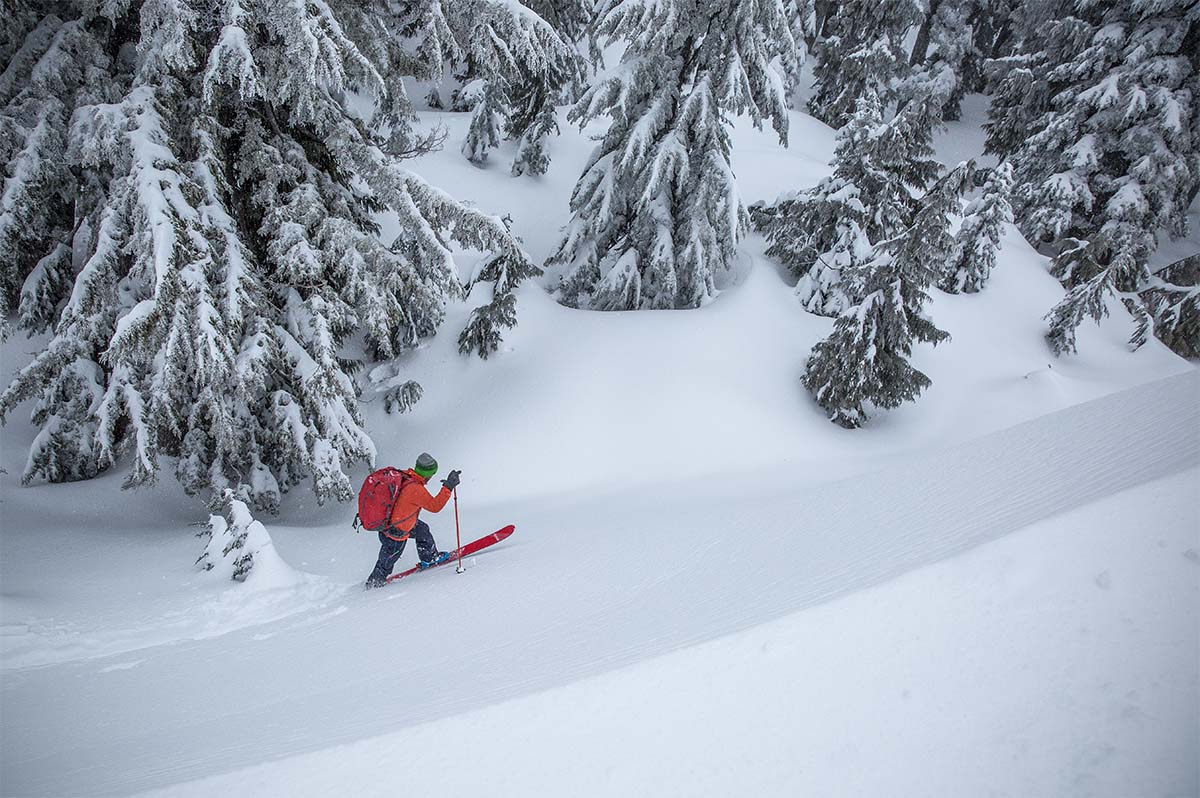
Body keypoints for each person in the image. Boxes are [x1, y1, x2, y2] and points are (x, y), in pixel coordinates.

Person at [365, 452, 462, 588]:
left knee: (422, 529)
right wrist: (448, 487)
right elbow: (435, 506)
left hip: (392, 523)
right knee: (387, 561)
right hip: (396, 533)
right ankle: (374, 582)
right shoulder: (415, 489)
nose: (431, 478)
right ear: (427, 474)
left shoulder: (405, 476)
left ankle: (429, 557)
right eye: (432, 475)